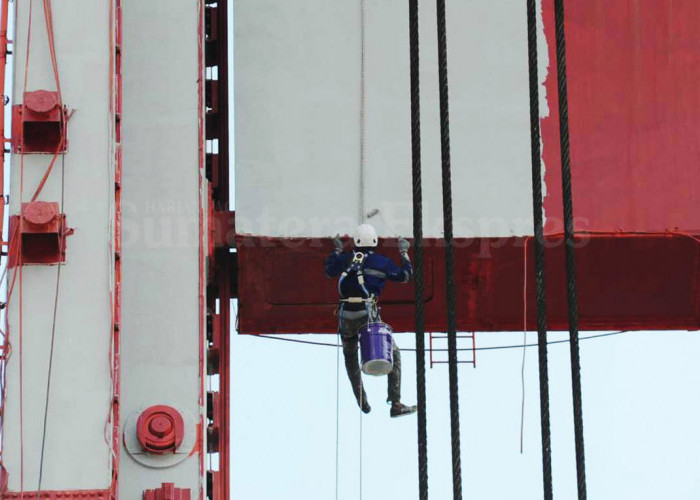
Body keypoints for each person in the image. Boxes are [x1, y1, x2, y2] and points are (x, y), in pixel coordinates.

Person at [325, 223, 417, 418]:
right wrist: (403, 252)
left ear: (356, 242)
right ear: (375, 241)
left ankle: (361, 398)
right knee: (394, 354)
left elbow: (329, 270)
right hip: (368, 317)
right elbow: (406, 276)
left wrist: (337, 249)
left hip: (346, 317)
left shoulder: (345, 259)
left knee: (350, 356)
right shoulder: (381, 262)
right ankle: (395, 402)